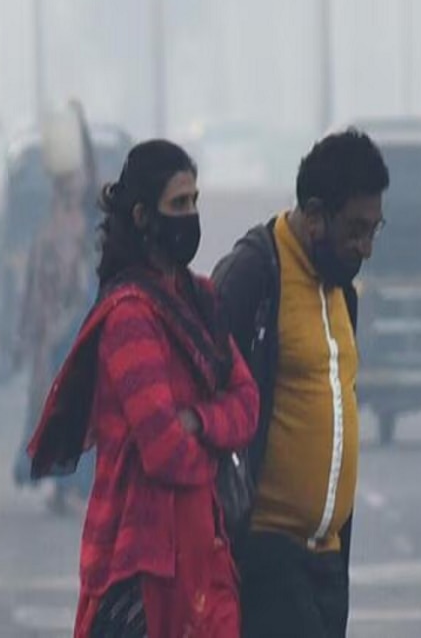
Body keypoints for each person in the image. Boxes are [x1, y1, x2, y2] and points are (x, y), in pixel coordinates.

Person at [28, 140, 259, 638]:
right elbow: (163, 451)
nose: (191, 214)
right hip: (140, 563)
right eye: (179, 204)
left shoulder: (201, 299)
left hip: (202, 550)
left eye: (195, 201)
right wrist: (215, 448)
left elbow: (247, 402)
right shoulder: (130, 316)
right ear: (143, 215)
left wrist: (199, 422)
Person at [212, 129, 389, 638]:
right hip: (267, 553)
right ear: (314, 216)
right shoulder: (254, 276)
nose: (366, 248)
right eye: (356, 229)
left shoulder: (341, 293)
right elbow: (206, 398)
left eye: (375, 230)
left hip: (327, 563)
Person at [13, 102, 100, 515]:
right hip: (54, 334)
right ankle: (59, 484)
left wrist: (79, 129)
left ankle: (74, 485)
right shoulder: (49, 230)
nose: (73, 188)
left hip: (80, 329)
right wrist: (31, 335)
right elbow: (35, 288)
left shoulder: (88, 224)